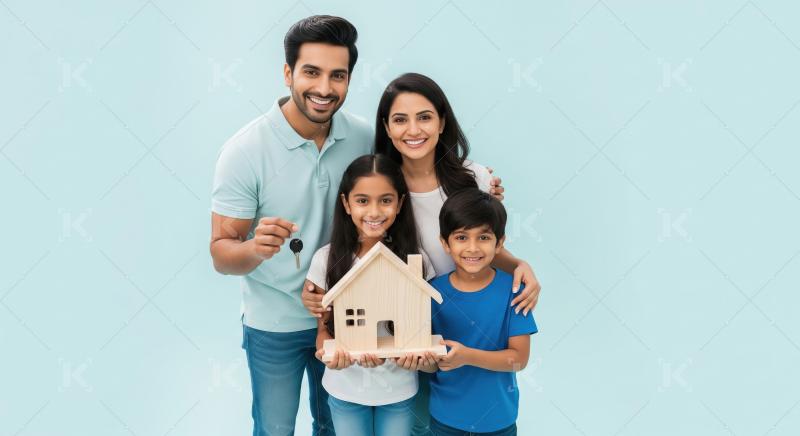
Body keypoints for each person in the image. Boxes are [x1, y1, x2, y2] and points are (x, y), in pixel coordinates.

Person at [210, 15, 369, 436]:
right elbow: (221, 255)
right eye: (311, 72)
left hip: (344, 320)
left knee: (336, 428)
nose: (324, 88)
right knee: (275, 429)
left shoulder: (364, 140)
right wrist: (253, 249)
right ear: (287, 73)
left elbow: (418, 177)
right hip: (272, 324)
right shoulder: (244, 151)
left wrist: (480, 183)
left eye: (338, 75)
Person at [304, 154, 440, 435]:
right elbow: (322, 332)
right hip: (345, 389)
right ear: (346, 203)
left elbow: (424, 327)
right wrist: (330, 353)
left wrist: (419, 356)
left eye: (386, 200)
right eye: (362, 200)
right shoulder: (325, 260)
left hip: (399, 390)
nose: (374, 211)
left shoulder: (417, 260)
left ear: (400, 203)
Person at [428, 188, 538, 435]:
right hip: (444, 421)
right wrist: (418, 361)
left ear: (499, 243)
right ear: (445, 243)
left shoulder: (514, 292)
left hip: (498, 423)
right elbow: (429, 362)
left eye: (484, 238)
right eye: (461, 237)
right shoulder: (432, 293)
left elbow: (519, 359)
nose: (473, 248)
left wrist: (467, 356)